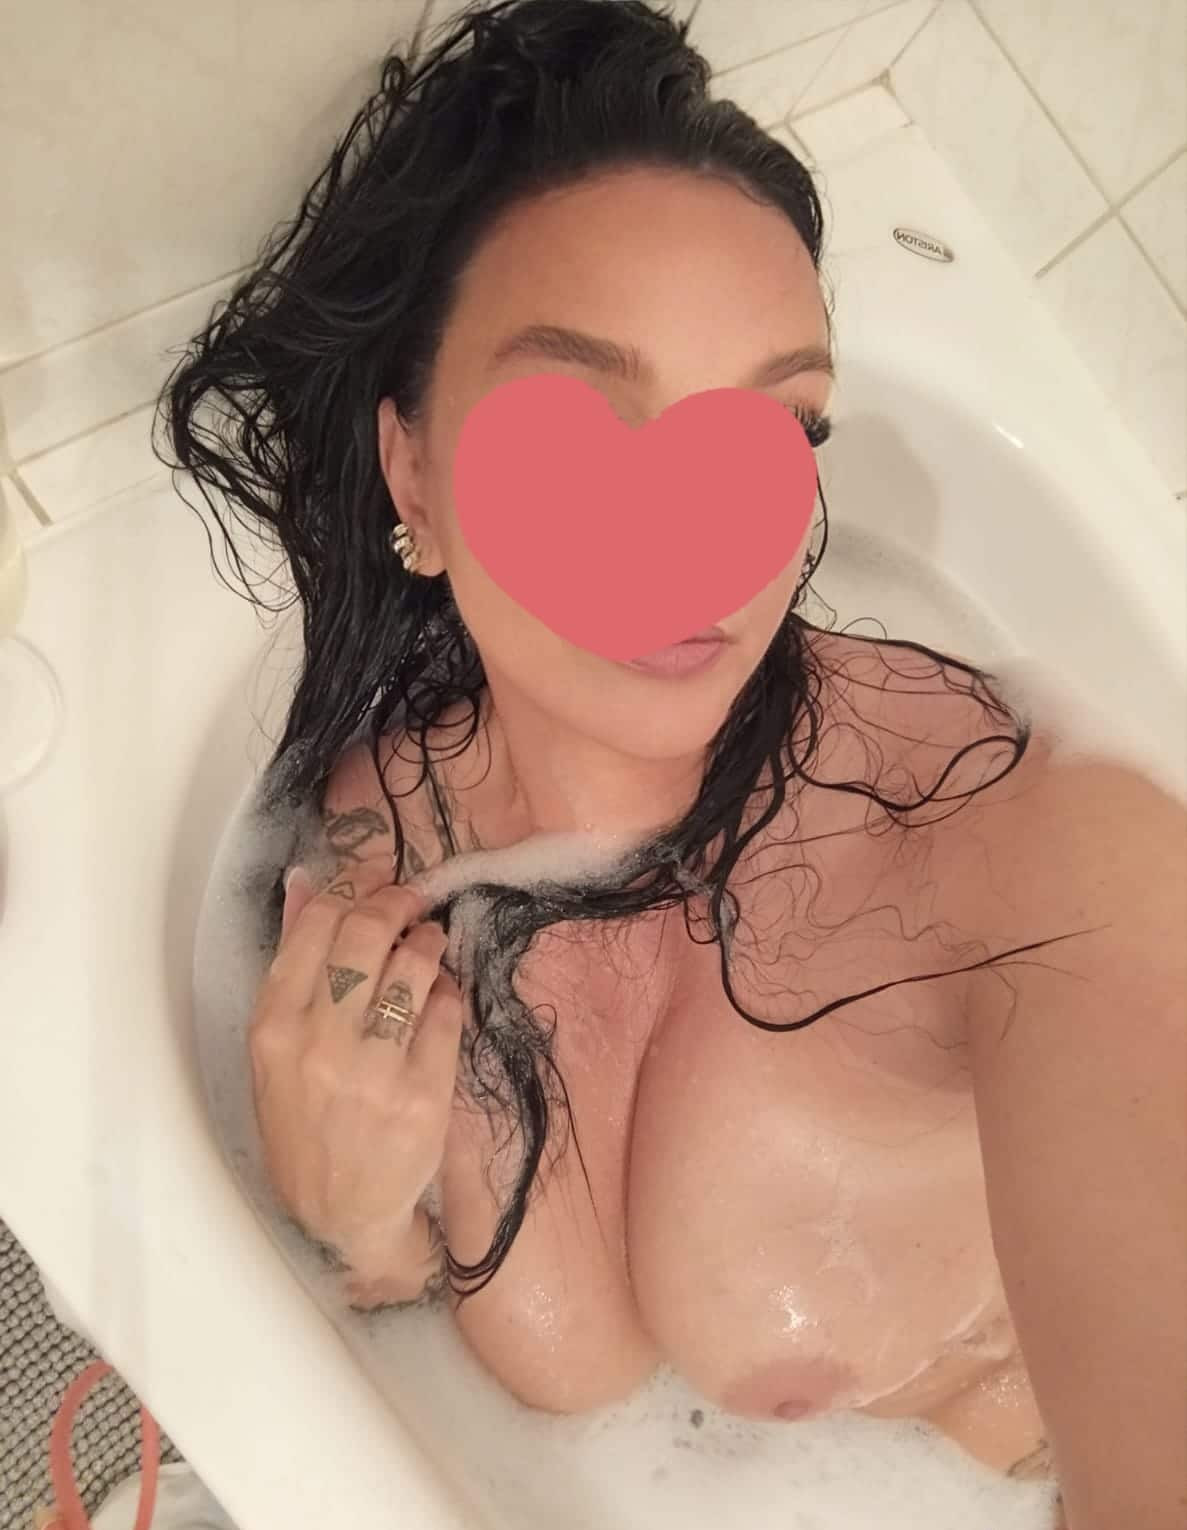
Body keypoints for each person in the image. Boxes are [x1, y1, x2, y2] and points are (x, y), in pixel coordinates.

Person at [156, 4, 1187, 1525]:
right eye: (579, 416)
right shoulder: (387, 832)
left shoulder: (1017, 848)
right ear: (413, 473)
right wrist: (359, 1226)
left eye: (780, 430)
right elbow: (403, 1276)